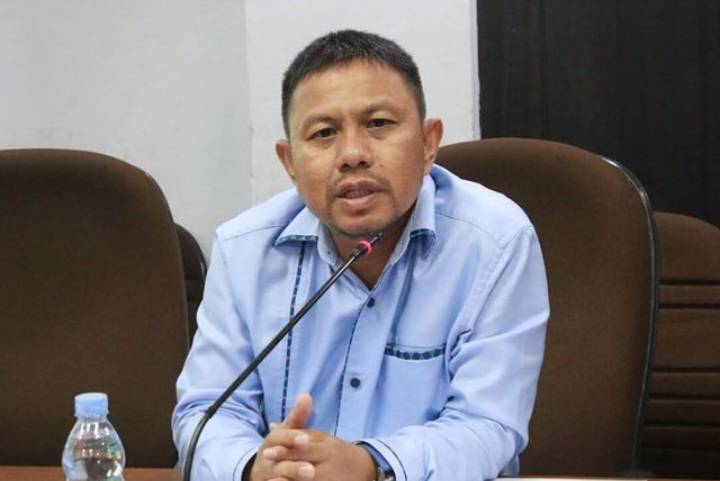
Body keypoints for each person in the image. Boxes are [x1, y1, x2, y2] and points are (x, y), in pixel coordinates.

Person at [172, 29, 549, 481]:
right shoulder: (244, 250)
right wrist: (255, 468)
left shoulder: (494, 241)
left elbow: (488, 425)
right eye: (324, 133)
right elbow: (205, 413)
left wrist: (373, 466)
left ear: (429, 143)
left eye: (379, 124)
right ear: (290, 162)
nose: (352, 155)